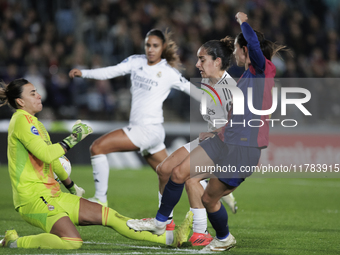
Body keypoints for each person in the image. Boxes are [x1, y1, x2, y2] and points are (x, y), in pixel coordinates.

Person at [127, 12, 286, 252]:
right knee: (178, 173)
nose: (234, 53)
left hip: (243, 148)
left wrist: (243, 21)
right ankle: (161, 223)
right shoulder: (245, 77)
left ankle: (222, 237)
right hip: (225, 139)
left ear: (246, 50)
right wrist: (219, 130)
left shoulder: (263, 71)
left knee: (208, 198)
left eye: (236, 49)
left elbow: (252, 43)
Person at [0, 78, 193, 249]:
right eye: (33, 93)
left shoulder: (35, 123)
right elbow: (46, 154)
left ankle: (171, 239)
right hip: (33, 199)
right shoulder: (21, 122)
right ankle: (14, 242)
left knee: (110, 215)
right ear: (20, 101)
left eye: (37, 92)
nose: (39, 96)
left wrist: (71, 186)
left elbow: (51, 162)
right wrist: (75, 137)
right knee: (72, 242)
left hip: (53, 194)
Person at [69, 29, 201, 217]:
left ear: (163, 48)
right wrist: (84, 73)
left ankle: (100, 199)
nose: (150, 49)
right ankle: (170, 221)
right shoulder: (135, 61)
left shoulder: (168, 72)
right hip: (149, 133)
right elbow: (111, 71)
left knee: (97, 148)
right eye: (148, 45)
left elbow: (194, 91)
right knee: (167, 174)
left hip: (147, 130)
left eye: (155, 46)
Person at [155, 36, 238, 246]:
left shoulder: (231, 89)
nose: (197, 64)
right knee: (164, 170)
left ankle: (198, 232)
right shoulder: (206, 81)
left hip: (228, 148)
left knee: (188, 179)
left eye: (202, 59)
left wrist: (216, 131)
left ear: (217, 61)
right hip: (211, 139)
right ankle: (169, 224)